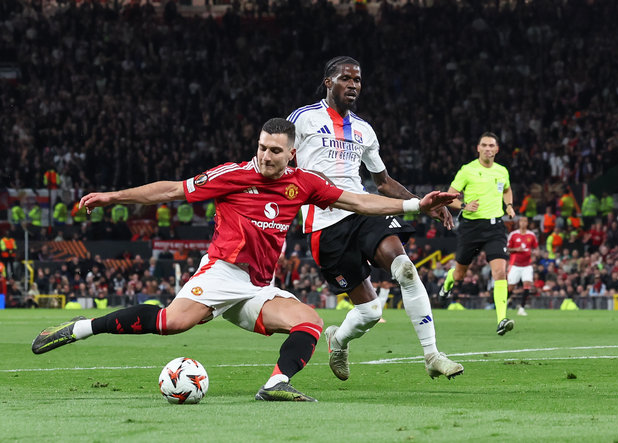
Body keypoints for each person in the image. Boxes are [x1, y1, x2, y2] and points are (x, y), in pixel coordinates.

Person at [31, 118, 458, 402]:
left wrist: (416, 205)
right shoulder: (232, 175)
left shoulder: (304, 183)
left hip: (257, 285)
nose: (266, 156)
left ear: (291, 154)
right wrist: (113, 197)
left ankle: (276, 384)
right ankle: (77, 329)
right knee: (172, 323)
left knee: (308, 322)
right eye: (262, 148)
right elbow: (171, 190)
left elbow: (358, 200)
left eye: (275, 151)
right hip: (221, 273)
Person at [288, 56, 463, 382]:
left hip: (364, 210)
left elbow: (382, 183)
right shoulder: (303, 119)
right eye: (345, 79)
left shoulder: (364, 130)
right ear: (329, 82)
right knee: (370, 312)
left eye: (357, 80)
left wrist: (423, 204)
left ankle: (431, 354)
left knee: (405, 269)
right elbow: (279, 161)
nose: (353, 85)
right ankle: (338, 340)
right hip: (324, 224)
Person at [438, 132, 517, 335]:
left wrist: (508, 206)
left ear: (497, 149)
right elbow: (449, 196)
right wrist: (464, 205)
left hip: (495, 227)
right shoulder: (467, 170)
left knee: (500, 271)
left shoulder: (502, 171)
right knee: (460, 274)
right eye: (484, 145)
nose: (488, 148)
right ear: (478, 148)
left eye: (492, 145)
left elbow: (507, 189)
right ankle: (448, 281)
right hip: (471, 228)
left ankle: (502, 319)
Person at [506, 216, 539, 316]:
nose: (523, 223)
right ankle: (504, 304)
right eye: (521, 221)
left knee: (527, 285)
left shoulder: (531, 235)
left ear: (527, 223)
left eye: (525, 221)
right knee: (510, 287)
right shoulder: (513, 235)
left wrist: (535, 254)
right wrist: (516, 249)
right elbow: (507, 249)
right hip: (515, 265)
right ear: (519, 223)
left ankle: (522, 308)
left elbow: (536, 248)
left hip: (527, 265)